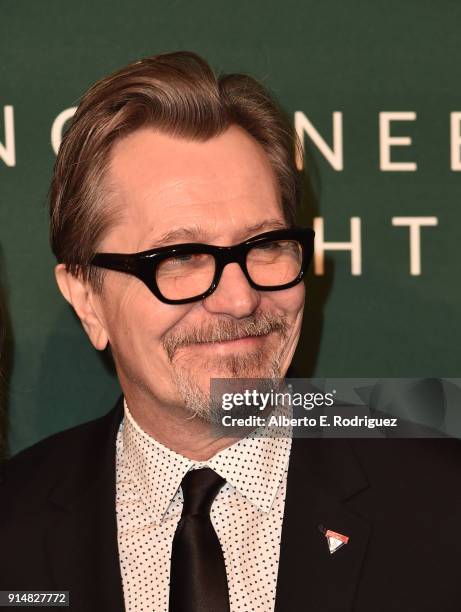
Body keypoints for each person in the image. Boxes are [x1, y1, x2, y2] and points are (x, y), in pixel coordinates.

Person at [1, 51, 461, 612]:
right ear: (87, 298)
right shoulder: (12, 526)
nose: (240, 300)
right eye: (181, 257)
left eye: (264, 246)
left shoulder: (443, 501)